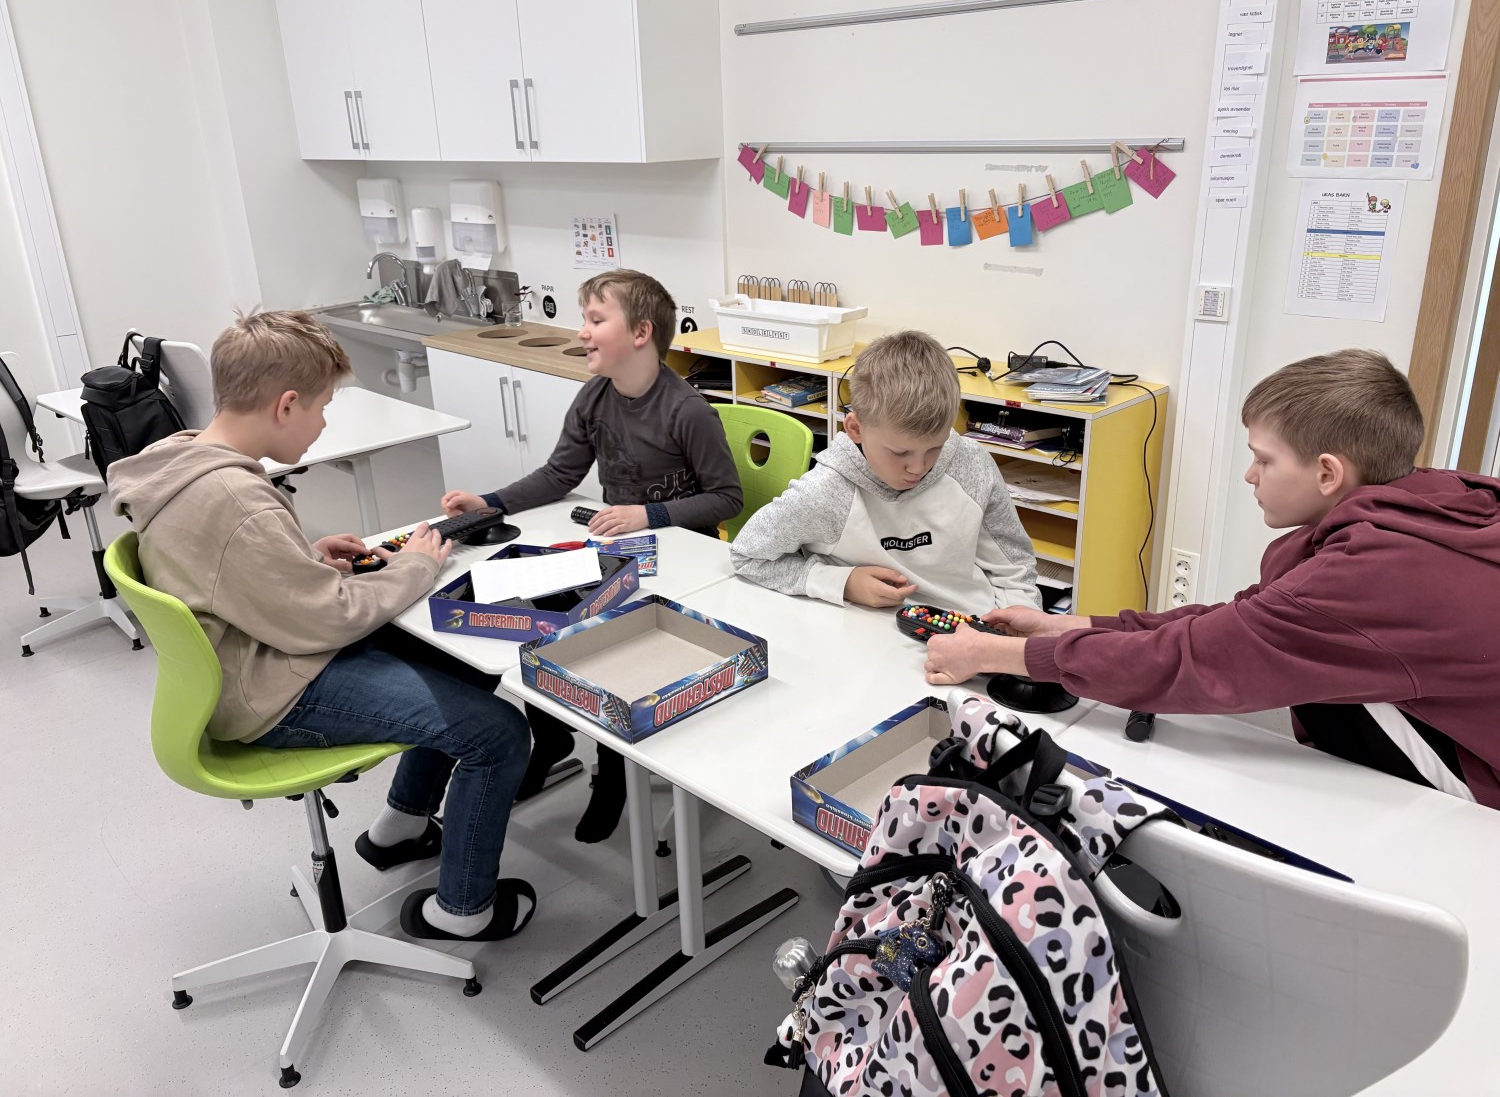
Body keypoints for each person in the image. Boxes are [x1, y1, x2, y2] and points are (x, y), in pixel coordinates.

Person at [110, 309, 534, 940]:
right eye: (322, 408)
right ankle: (463, 913)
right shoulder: (238, 501)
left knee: (459, 662)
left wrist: (301, 559)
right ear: (286, 405)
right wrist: (416, 566)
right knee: (499, 734)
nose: (324, 423)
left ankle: (402, 825)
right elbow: (329, 619)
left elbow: (224, 568)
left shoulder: (178, 461)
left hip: (243, 661)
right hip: (272, 693)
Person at [924, 348, 1500, 807]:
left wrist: (995, 654)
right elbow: (1245, 620)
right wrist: (1068, 626)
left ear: (1328, 473)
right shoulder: (1426, 501)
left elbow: (1200, 657)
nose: (1250, 475)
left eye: (1265, 459)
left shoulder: (1378, 575)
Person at [442, 269, 742, 841]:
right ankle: (551, 734)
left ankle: (612, 771)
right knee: (540, 614)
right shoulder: (594, 397)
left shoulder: (687, 410)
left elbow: (727, 498)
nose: (582, 332)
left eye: (596, 320)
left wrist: (646, 515)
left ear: (640, 333)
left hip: (683, 564)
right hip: (618, 552)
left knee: (609, 645)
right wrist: (491, 503)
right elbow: (560, 474)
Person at [730, 329, 1040, 613]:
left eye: (935, 447)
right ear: (855, 429)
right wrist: (844, 583)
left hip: (972, 623)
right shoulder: (826, 491)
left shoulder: (971, 464)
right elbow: (747, 555)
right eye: (900, 452)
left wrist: (1022, 624)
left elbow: (1015, 570)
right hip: (866, 633)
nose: (918, 468)